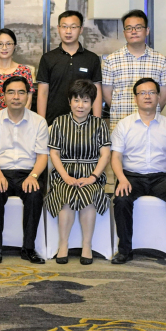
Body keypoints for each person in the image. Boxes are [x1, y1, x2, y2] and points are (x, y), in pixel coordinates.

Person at [110, 78, 166, 268]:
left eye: (151, 92)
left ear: (158, 96)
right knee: (121, 200)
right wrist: (121, 179)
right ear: (135, 98)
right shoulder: (124, 125)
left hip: (161, 178)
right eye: (142, 93)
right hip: (131, 176)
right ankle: (124, 251)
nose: (147, 96)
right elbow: (116, 157)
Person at [0, 76, 49, 265]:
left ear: (28, 95)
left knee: (35, 194)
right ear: (3, 96)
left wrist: (33, 176)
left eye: (21, 92)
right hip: (1, 171)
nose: (16, 97)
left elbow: (42, 156)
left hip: (28, 172)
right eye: (11, 92)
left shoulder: (39, 122)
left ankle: (28, 248)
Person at [47, 80, 111, 265]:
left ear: (92, 103)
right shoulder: (59, 122)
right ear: (69, 101)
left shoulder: (99, 124)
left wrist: (93, 177)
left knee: (87, 194)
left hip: (91, 172)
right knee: (66, 194)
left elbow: (105, 154)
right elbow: (54, 153)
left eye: (85, 100)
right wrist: (65, 176)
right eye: (76, 100)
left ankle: (87, 246)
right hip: (64, 173)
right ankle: (63, 245)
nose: (80, 105)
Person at [102, 10, 166, 131]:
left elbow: (164, 95)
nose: (133, 31)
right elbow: (107, 94)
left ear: (147, 31)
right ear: (124, 33)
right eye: (129, 28)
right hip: (121, 124)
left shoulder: (161, 60)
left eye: (138, 27)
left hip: (151, 125)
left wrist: (150, 110)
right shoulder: (111, 60)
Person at [36, 11, 102, 126]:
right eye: (64, 26)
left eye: (73, 27)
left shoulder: (92, 58)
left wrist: (97, 123)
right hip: (54, 122)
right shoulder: (48, 58)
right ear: (58, 28)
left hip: (85, 123)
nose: (68, 31)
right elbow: (43, 93)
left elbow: (97, 92)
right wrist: (41, 124)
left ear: (81, 29)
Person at [0, 28, 34, 122]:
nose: (4, 48)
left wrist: (16, 124)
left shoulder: (24, 71)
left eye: (8, 44)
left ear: (14, 46)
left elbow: (28, 103)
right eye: (0, 44)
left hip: (19, 123)